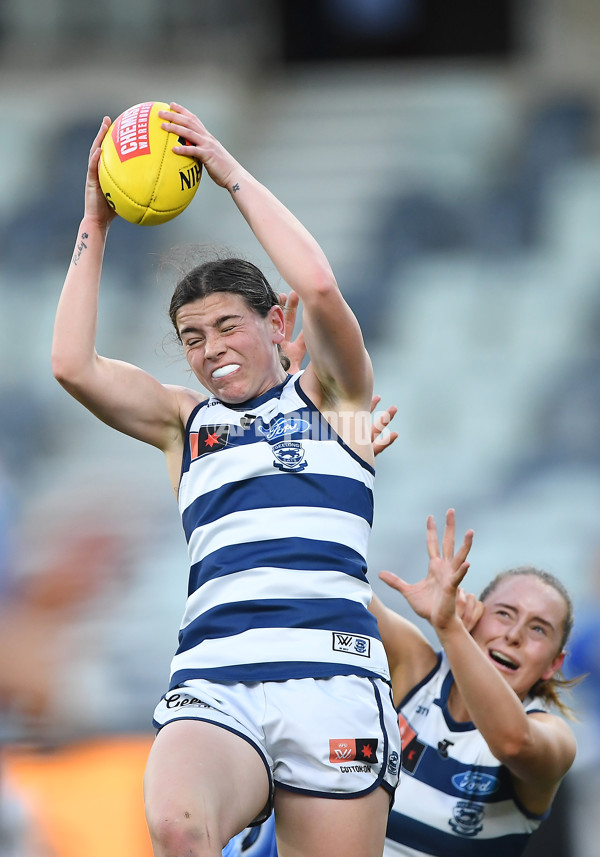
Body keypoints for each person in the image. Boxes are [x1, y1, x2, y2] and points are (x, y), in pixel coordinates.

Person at [51, 102, 401, 857]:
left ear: (277, 325)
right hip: (218, 678)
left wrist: (227, 170)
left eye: (228, 326)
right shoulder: (186, 424)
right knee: (180, 826)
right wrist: (97, 222)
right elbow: (71, 365)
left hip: (332, 677)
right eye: (192, 337)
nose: (211, 349)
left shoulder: (336, 404)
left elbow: (322, 287)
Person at [374, 508, 578, 856]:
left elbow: (513, 743)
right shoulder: (417, 667)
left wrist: (449, 628)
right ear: (477, 615)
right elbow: (338, 591)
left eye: (538, 629)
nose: (513, 635)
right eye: (503, 614)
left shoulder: (553, 738)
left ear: (553, 664)